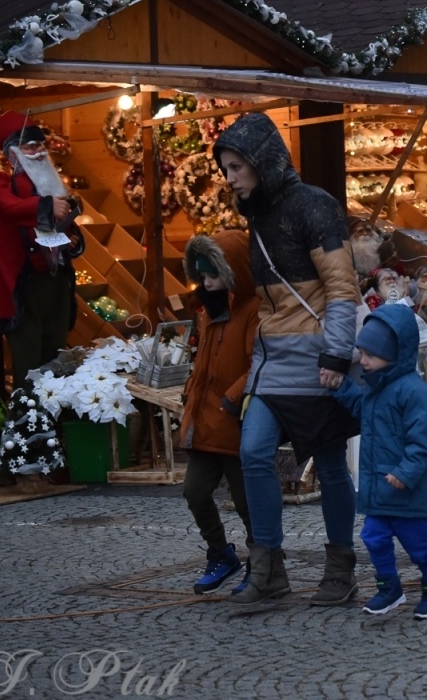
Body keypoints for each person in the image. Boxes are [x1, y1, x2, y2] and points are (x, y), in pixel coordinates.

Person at [212, 113, 362, 607]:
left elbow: (342, 286)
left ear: (262, 161)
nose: (230, 178)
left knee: (332, 466)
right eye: (226, 169)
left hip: (318, 358)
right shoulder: (256, 215)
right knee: (254, 452)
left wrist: (336, 354)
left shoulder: (315, 206)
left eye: (237, 167)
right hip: (272, 359)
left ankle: (340, 570)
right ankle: (268, 568)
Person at [329, 304, 427, 619]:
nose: (363, 360)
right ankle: (389, 587)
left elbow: (423, 443)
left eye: (371, 354)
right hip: (381, 490)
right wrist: (340, 386)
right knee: (373, 537)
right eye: (362, 353)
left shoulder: (416, 394)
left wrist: (405, 473)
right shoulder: (375, 388)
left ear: (395, 353)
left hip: (409, 493)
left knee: (420, 544)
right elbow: (360, 408)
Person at [179, 231, 258, 595]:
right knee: (195, 492)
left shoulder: (252, 309)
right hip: (206, 423)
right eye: (202, 275)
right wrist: (190, 400)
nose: (205, 283)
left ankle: (261, 562)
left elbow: (257, 362)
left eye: (212, 275)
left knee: (246, 502)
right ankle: (221, 552)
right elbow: (203, 365)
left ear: (230, 272)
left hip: (237, 422)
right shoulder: (209, 310)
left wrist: (232, 398)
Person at [0, 112, 83, 387]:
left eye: (40, 145)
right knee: (28, 358)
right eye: (29, 147)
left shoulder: (49, 185)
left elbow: (56, 227)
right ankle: (26, 409)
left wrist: (70, 237)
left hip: (54, 278)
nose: (38, 152)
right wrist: (47, 206)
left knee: (54, 350)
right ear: (12, 154)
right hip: (23, 283)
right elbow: (12, 207)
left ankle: (52, 407)